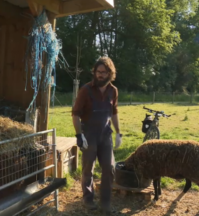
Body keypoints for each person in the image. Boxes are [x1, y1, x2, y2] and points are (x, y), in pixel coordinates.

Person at [72, 56, 122, 215]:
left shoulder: (113, 91)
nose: (100, 75)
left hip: (105, 134)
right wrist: (79, 135)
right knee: (88, 168)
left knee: (109, 167)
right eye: (98, 72)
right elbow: (75, 114)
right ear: (94, 72)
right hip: (89, 134)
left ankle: (105, 202)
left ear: (110, 73)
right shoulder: (86, 90)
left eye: (104, 72)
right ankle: (88, 199)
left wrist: (119, 133)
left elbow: (114, 113)